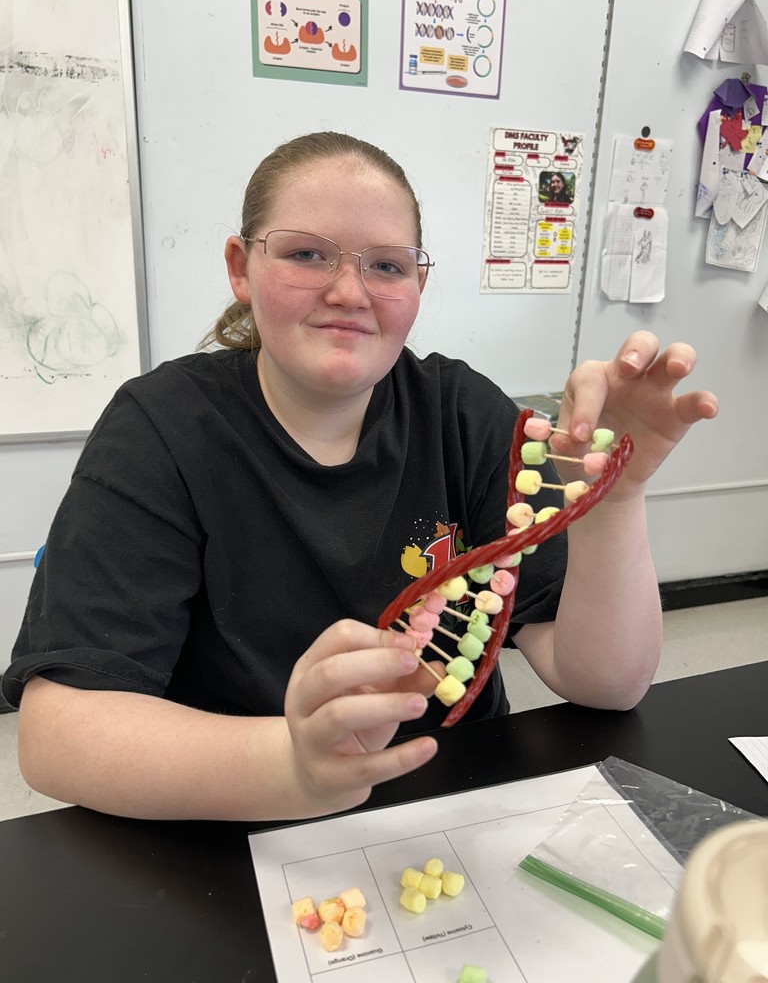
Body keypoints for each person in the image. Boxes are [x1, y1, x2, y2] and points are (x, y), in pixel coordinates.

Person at [3, 131, 718, 823]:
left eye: (386, 265)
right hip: (236, 816)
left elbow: (607, 684)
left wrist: (613, 500)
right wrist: (294, 764)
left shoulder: (461, 415)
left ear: (419, 282)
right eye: (306, 254)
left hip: (451, 806)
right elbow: (59, 734)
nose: (349, 291)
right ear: (240, 267)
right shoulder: (161, 429)